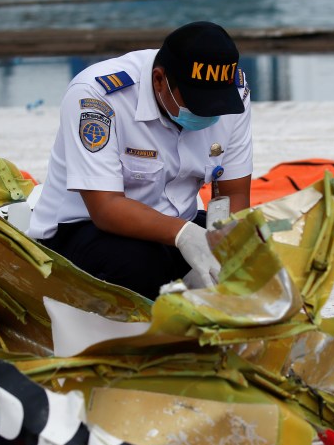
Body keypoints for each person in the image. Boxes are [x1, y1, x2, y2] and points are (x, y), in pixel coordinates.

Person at [27, 21, 253, 298]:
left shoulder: (235, 93)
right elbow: (105, 208)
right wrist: (185, 235)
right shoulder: (98, 95)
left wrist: (224, 243)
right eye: (198, 102)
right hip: (83, 228)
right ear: (159, 80)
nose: (210, 113)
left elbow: (232, 194)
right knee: (142, 270)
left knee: (256, 255)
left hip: (176, 224)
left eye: (217, 103)